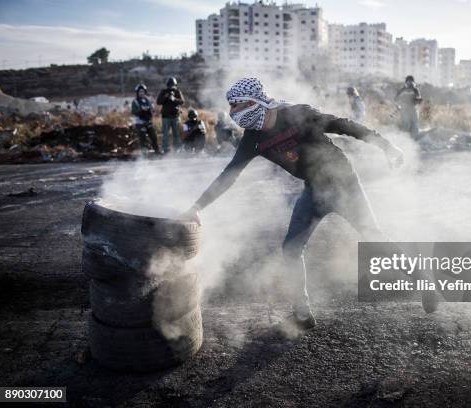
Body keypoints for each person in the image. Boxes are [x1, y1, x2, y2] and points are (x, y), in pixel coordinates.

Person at [182, 78, 438, 330]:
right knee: (291, 248)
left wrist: (387, 146)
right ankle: (302, 314)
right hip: (313, 191)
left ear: (254, 101)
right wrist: (196, 207)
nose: (233, 113)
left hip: (343, 183)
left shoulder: (297, 115)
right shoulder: (253, 138)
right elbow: (229, 176)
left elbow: (344, 126)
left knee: (373, 235)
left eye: (236, 106)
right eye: (231, 106)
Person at [130, 83, 161, 157]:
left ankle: (157, 151)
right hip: (140, 122)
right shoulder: (135, 101)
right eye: (140, 92)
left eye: (143, 92)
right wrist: (141, 110)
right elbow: (133, 111)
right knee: (142, 138)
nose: (141, 93)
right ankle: (144, 154)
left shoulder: (148, 100)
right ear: (137, 93)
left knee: (153, 136)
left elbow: (152, 110)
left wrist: (150, 110)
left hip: (148, 121)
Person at [156, 77, 185, 153]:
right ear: (167, 85)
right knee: (165, 134)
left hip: (175, 116)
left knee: (176, 134)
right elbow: (158, 102)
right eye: (170, 85)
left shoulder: (177, 92)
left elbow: (182, 101)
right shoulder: (164, 91)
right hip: (166, 117)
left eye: (173, 85)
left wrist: (174, 99)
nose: (171, 86)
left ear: (175, 85)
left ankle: (177, 149)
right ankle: (165, 149)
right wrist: (165, 97)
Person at [395, 75, 423, 141]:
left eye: (410, 81)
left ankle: (413, 141)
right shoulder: (403, 89)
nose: (409, 83)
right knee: (407, 125)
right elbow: (396, 99)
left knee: (414, 125)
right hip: (406, 110)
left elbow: (419, 99)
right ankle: (405, 140)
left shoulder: (415, 89)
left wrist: (417, 100)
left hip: (412, 109)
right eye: (408, 81)